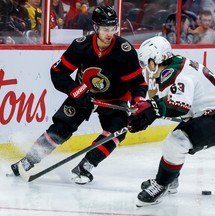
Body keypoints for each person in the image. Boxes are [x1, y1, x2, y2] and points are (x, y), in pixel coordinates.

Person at [11, 5, 148, 185]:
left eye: (113, 28)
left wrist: (139, 102)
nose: (110, 33)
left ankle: (86, 165)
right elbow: (57, 72)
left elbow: (138, 83)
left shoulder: (125, 51)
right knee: (61, 128)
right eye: (105, 29)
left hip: (114, 99)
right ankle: (29, 160)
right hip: (83, 96)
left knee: (116, 132)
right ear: (95, 28)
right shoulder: (81, 45)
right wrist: (76, 91)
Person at [128, 36, 215, 207]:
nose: (145, 67)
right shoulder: (172, 65)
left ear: (157, 59)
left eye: (146, 62)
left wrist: (152, 110)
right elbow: (168, 103)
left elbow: (179, 106)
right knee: (176, 142)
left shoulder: (178, 75)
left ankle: (161, 185)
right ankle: (170, 180)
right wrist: (149, 109)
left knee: (176, 142)